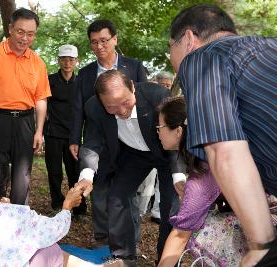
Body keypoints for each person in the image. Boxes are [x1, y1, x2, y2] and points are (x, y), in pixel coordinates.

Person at [169, 4, 277, 266]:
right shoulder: (270, 47)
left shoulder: (202, 58)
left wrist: (260, 244)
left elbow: (224, 151)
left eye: (170, 47)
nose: (171, 59)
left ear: (188, 39)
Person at [0, 147, 123, 267]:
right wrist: (66, 207)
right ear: (5, 184)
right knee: (48, 248)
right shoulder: (17, 214)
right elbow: (53, 230)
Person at [76, 70, 183, 266]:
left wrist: (178, 175)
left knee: (170, 207)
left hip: (166, 152)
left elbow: (176, 136)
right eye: (112, 107)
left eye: (125, 102)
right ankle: (123, 257)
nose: (122, 111)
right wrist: (86, 176)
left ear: (132, 87)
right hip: (134, 154)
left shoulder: (157, 96)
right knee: (117, 195)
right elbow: (92, 142)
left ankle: (166, 261)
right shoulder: (94, 107)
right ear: (101, 102)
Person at [69, 19, 148, 247]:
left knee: (127, 193)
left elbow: (144, 104)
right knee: (100, 192)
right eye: (94, 42)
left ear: (114, 39)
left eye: (104, 40)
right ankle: (102, 238)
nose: (99, 46)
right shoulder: (84, 74)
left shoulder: (133, 67)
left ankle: (130, 240)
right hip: (98, 143)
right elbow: (77, 109)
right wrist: (75, 138)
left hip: (130, 142)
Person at [0, 8, 51, 205]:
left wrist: (39, 131)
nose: (24, 38)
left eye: (30, 34)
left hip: (25, 123)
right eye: (20, 32)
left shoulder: (38, 63)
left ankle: (18, 220)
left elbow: (41, 99)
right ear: (10, 28)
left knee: (22, 176)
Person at [44, 44, 87, 216]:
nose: (67, 63)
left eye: (71, 59)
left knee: (75, 173)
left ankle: (79, 207)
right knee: (54, 172)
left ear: (76, 61)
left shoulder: (81, 83)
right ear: (59, 61)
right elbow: (42, 103)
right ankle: (56, 202)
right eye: (64, 59)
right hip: (53, 133)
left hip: (74, 136)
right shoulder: (49, 80)